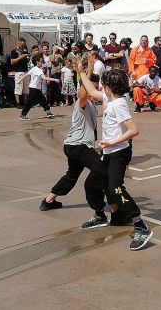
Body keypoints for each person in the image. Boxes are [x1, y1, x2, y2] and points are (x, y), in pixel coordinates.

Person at [79, 65, 153, 251]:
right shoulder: (109, 99)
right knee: (92, 185)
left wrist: (111, 143)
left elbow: (133, 130)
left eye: (104, 85)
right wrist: (80, 71)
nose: (101, 88)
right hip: (108, 152)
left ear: (110, 87)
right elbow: (92, 91)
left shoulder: (119, 105)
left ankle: (140, 225)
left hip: (119, 153)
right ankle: (103, 215)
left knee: (116, 188)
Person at [40, 72, 103, 211]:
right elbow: (83, 93)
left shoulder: (92, 105)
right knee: (102, 169)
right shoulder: (82, 103)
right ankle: (105, 205)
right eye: (92, 87)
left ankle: (48, 201)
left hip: (75, 146)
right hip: (79, 146)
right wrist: (85, 72)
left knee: (71, 175)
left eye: (97, 86)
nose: (95, 89)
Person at [19, 54, 58, 120]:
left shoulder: (33, 69)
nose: (42, 62)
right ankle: (23, 114)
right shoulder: (39, 70)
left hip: (35, 88)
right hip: (34, 88)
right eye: (41, 61)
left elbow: (26, 75)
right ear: (37, 62)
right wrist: (54, 79)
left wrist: (19, 80)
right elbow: (44, 78)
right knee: (30, 102)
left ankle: (48, 112)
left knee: (43, 100)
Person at [10, 37, 29, 108]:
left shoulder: (24, 50)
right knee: (18, 86)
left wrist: (27, 58)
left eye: (24, 45)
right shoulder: (14, 51)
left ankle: (26, 102)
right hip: (18, 71)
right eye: (22, 45)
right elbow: (12, 61)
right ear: (18, 43)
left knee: (25, 87)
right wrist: (21, 57)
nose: (23, 46)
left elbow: (27, 60)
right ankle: (18, 103)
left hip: (25, 70)